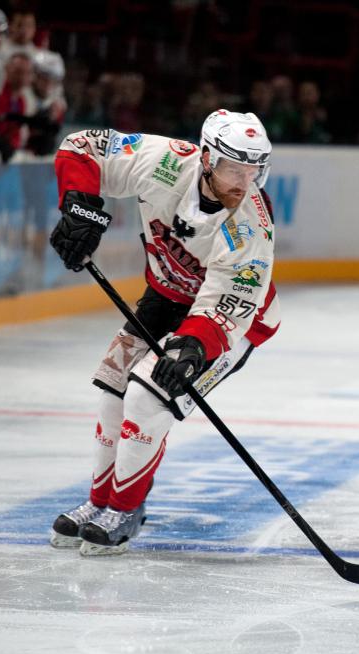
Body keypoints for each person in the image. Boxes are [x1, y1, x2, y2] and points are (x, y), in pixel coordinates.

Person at [48, 110, 281, 555]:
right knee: (113, 388)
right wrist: (79, 207)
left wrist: (193, 348)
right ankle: (100, 502)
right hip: (164, 298)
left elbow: (233, 301)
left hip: (231, 323)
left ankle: (125, 510)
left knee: (147, 397)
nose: (244, 182)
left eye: (254, 170)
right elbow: (84, 146)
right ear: (207, 157)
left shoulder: (251, 225)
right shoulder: (165, 161)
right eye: (234, 169)